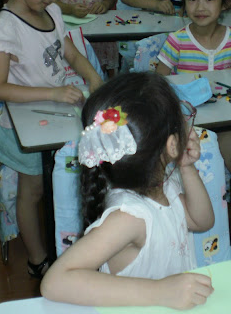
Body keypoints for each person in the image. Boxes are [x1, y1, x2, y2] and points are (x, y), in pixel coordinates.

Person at [40, 72, 215, 309]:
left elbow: (202, 221)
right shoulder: (129, 217)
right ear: (172, 145)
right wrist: (161, 292)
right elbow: (54, 282)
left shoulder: (165, 186)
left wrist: (186, 167)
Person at [0, 0, 103, 278]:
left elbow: (70, 53)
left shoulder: (51, 12)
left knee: (63, 176)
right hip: (22, 122)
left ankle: (68, 239)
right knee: (33, 190)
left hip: (55, 115)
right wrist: (52, 93)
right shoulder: (5, 27)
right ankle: (38, 260)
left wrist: (94, 78)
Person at [155, 0, 231, 175]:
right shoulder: (177, 41)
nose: (200, 7)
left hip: (226, 120)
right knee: (192, 164)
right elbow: (158, 84)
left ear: (224, 3)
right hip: (187, 121)